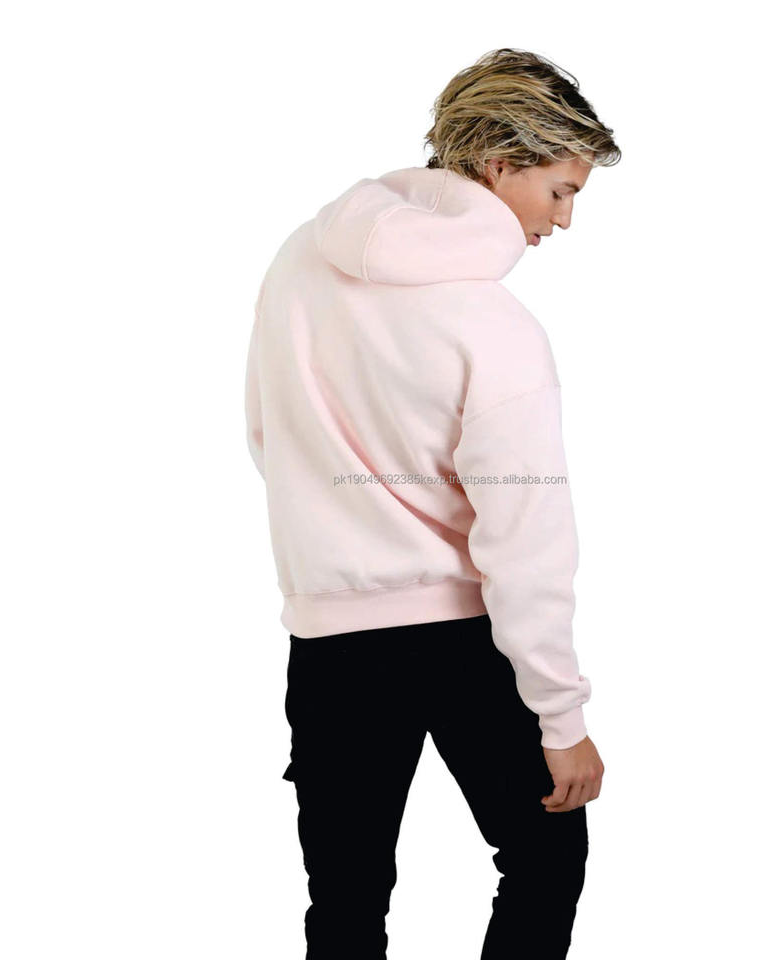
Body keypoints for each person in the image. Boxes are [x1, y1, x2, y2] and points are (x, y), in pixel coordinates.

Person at [245, 46, 621, 959]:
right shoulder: (493, 324)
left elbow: (267, 433)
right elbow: (527, 538)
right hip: (462, 640)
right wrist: (562, 718)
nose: (564, 220)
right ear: (498, 162)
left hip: (329, 643)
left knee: (345, 903)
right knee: (546, 855)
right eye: (560, 190)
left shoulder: (299, 260)